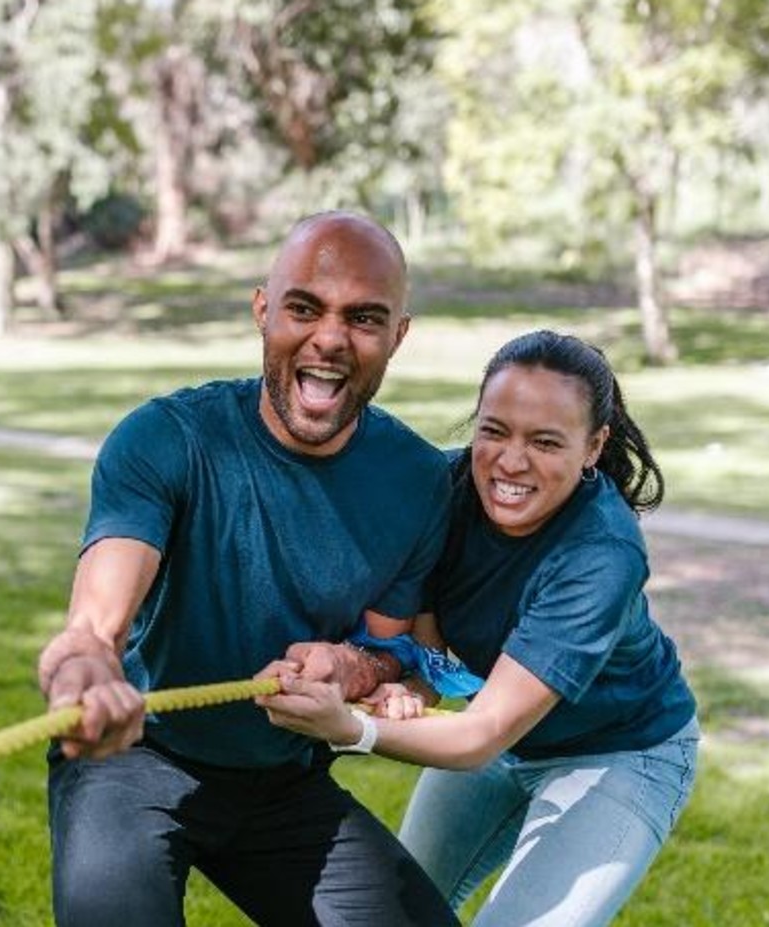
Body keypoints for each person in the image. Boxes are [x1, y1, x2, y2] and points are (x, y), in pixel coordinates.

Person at [35, 211, 460, 926]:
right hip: (133, 758)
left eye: (362, 317)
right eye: (303, 307)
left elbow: (389, 654)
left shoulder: (419, 482)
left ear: (398, 335)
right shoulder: (166, 438)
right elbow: (92, 625)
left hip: (281, 784)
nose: (328, 337)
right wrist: (85, 669)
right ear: (262, 310)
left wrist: (349, 668)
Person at [258, 330, 699, 927]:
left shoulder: (603, 554)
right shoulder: (445, 493)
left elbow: (481, 733)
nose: (510, 462)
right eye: (494, 431)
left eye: (545, 441)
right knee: (388, 914)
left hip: (619, 752)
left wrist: (351, 728)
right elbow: (432, 654)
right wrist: (404, 687)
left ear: (594, 446)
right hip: (504, 733)